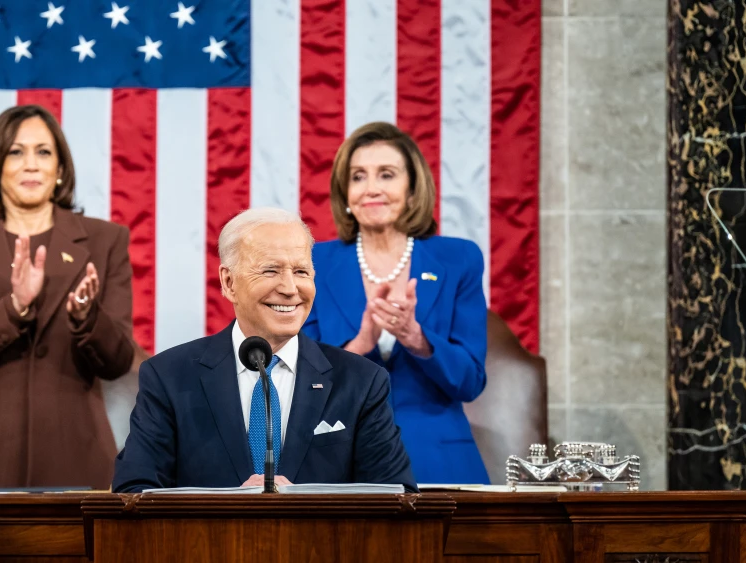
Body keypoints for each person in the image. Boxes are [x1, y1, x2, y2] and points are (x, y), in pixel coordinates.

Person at [111, 208, 417, 493]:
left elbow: (397, 498)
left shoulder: (362, 381)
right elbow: (134, 492)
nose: (289, 288)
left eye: (301, 272)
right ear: (229, 282)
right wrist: (228, 506)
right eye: (270, 271)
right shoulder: (169, 377)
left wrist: (305, 504)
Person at [0, 104, 134, 488]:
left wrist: (88, 318)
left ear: (60, 169)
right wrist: (14, 307)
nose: (31, 164)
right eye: (16, 152)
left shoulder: (106, 241)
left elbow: (118, 361)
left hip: (77, 464)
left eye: (43, 152)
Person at [302, 122, 489, 485]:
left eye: (386, 175)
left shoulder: (458, 259)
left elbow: (470, 381)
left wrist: (417, 338)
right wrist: (360, 344)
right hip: (341, 459)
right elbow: (302, 385)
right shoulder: (314, 263)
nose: (371, 188)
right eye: (358, 177)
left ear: (413, 190)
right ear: (345, 194)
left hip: (439, 460)